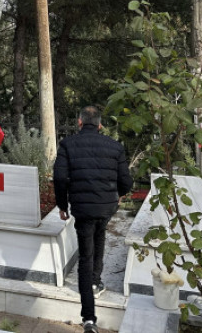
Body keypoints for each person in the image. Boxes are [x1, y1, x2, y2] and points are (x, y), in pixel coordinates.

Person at [53, 106, 132, 333]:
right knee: (100, 237)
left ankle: (89, 318)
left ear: (79, 122)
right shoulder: (115, 147)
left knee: (85, 256)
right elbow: (126, 181)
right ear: (99, 125)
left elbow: (59, 177)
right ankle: (96, 281)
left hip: (82, 209)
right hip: (106, 207)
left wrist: (62, 205)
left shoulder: (67, 144)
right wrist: (118, 194)